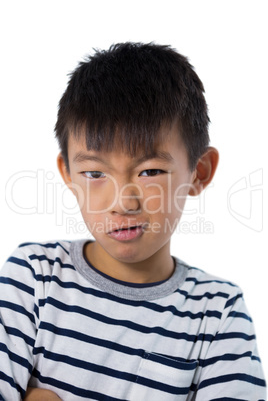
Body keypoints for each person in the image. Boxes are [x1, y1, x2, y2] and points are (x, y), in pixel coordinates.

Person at [0, 42, 266, 401]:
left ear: (198, 172)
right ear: (67, 173)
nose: (122, 202)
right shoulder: (33, 277)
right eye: (94, 172)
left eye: (150, 171)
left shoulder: (218, 312)